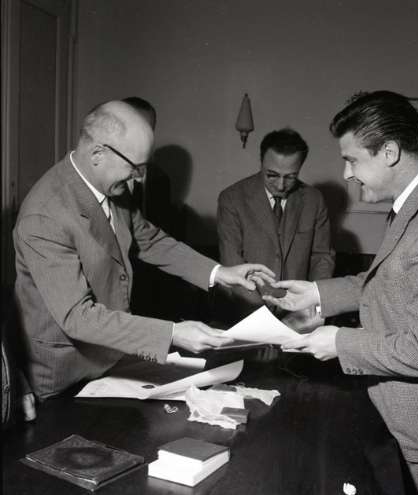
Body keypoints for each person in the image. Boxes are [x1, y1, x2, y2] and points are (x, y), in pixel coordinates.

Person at [264, 91, 418, 495]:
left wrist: (338, 342)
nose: (347, 174)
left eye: (352, 160)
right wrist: (316, 293)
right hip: (409, 420)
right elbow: (390, 280)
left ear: (389, 152)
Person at [13, 100, 274, 401]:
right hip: (64, 374)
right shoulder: (45, 215)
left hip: (111, 357)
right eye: (134, 167)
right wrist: (172, 333)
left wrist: (219, 272)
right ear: (97, 154)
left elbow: (148, 240)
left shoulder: (112, 186)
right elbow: (78, 317)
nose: (139, 177)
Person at [217, 128, 334, 328]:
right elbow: (232, 262)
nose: (280, 185)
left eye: (290, 176)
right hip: (245, 313)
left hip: (298, 315)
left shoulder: (314, 200)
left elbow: (322, 258)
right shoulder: (231, 199)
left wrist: (310, 305)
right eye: (272, 175)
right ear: (261, 161)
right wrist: (264, 322)